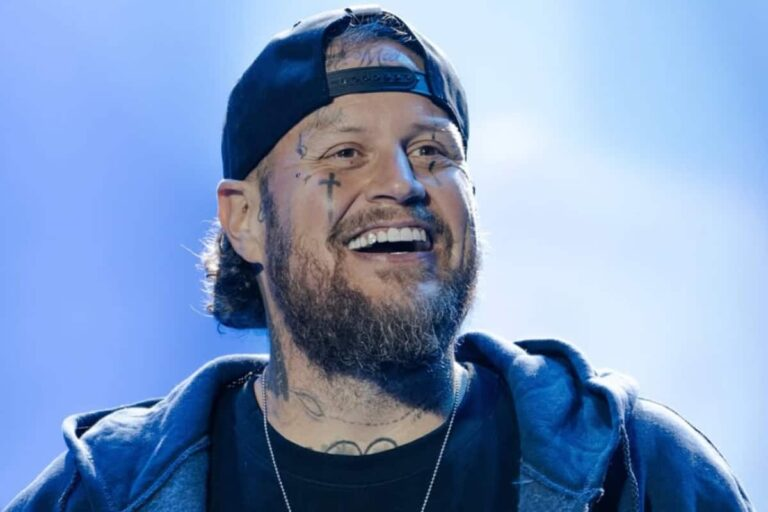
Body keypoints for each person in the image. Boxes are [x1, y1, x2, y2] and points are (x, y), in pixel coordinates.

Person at [6, 6, 753, 512]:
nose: (403, 184)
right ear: (245, 220)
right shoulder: (103, 493)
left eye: (433, 153)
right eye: (345, 153)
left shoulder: (640, 472)